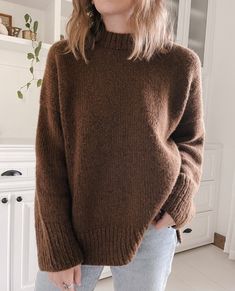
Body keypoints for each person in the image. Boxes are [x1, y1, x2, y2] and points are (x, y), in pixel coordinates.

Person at [34, 0, 206, 290]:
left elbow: (191, 141)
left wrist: (179, 198)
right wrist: (57, 246)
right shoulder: (65, 59)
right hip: (75, 227)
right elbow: (50, 159)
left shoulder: (181, 64)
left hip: (152, 225)